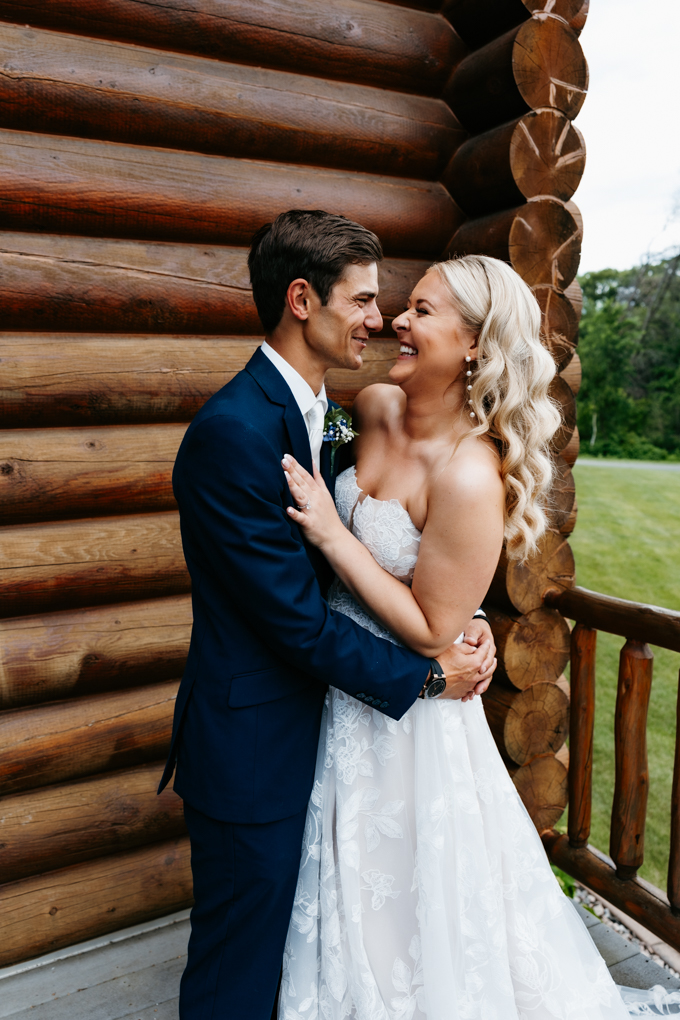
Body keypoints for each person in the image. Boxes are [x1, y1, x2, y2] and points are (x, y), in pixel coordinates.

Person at [158, 210, 498, 1020]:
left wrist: (461, 616)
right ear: (302, 300)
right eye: (364, 300)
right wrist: (426, 676)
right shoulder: (232, 434)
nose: (379, 321)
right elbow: (296, 622)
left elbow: (394, 543)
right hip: (255, 747)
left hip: (332, 735)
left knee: (319, 948)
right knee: (235, 969)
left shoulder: (326, 413)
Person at [278, 254, 635, 1019]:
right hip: (340, 687)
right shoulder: (369, 407)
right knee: (344, 872)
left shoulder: (470, 473)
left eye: (424, 312)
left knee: (413, 890)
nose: (398, 321)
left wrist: (338, 540)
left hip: (412, 716)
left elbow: (436, 627)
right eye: (405, 308)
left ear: (474, 344)